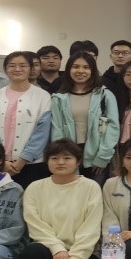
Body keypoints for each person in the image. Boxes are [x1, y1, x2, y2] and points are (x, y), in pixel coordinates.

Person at [20, 140, 103, 259]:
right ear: (47, 161)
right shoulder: (34, 188)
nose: (60, 162)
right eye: (54, 158)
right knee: (32, 252)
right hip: (48, 248)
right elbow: (35, 225)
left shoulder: (91, 187)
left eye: (67, 158)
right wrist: (57, 248)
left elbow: (91, 228)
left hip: (82, 252)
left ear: (78, 162)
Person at [0, 51, 53, 188]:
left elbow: (43, 131)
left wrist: (24, 158)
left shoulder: (43, 96)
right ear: (5, 69)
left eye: (23, 65)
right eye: (12, 65)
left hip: (32, 163)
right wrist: (0, 158)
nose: (17, 69)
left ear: (31, 69)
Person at [50, 51, 120, 181]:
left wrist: (103, 156)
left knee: (95, 191)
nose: (80, 71)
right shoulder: (59, 98)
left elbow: (113, 127)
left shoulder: (104, 95)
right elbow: (57, 130)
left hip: (97, 155)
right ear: (68, 70)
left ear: (93, 71)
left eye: (86, 67)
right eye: (76, 67)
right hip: (69, 155)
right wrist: (62, 156)